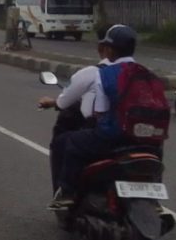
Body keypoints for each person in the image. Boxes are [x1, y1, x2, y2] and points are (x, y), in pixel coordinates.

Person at [50, 24, 162, 209]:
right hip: (148, 139)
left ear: (109, 49)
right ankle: (154, 200)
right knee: (153, 159)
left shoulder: (104, 74)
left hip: (113, 139)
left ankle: (67, 193)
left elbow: (100, 112)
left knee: (70, 142)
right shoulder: (148, 74)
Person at [39, 35, 113, 195]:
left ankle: (65, 194)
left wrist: (53, 102)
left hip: (105, 132)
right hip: (136, 136)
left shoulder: (93, 72)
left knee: (63, 142)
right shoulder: (139, 73)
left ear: (103, 48)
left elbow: (64, 101)